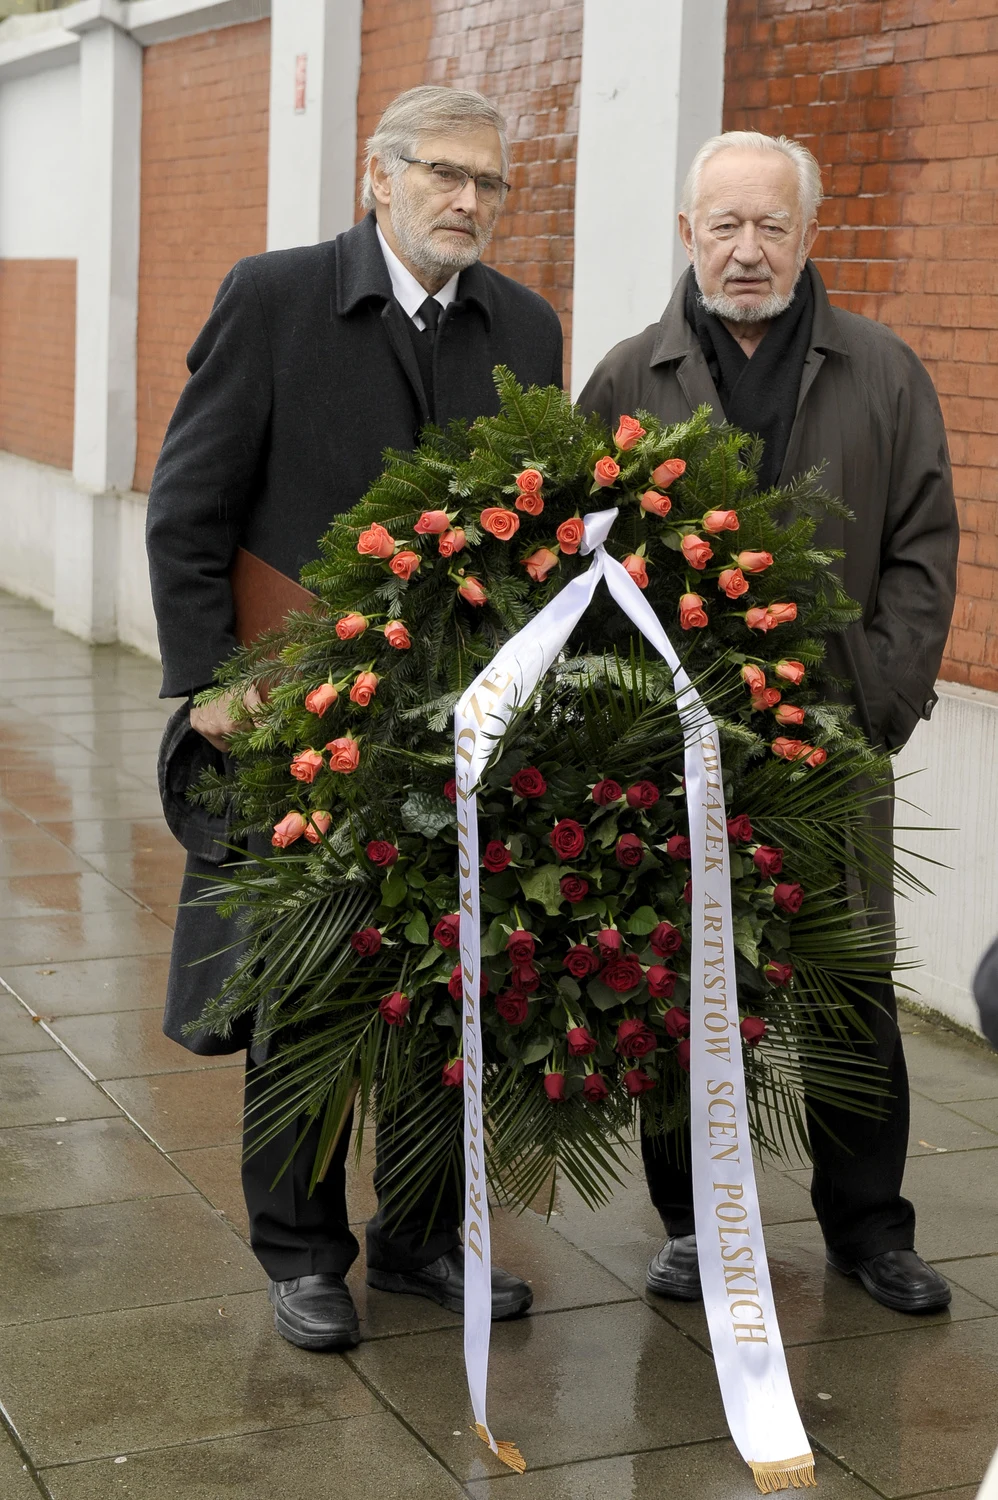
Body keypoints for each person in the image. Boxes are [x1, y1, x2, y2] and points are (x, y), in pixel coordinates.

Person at [146, 85, 563, 1352]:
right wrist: (209, 677)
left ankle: (426, 1241)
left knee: (448, 991)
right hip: (294, 714)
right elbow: (187, 503)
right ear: (374, 178)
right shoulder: (273, 296)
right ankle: (302, 1253)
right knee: (306, 993)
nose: (466, 201)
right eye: (443, 173)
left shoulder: (524, 328)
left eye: (489, 183)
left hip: (458, 730)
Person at [580, 130, 959, 1315]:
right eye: (722, 227)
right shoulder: (623, 379)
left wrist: (876, 705)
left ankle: (868, 1230)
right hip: (671, 759)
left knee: (846, 986)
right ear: (684, 235)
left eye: (769, 227)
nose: (746, 252)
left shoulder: (883, 372)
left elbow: (922, 552)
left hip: (830, 753)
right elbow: (574, 574)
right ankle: (696, 1225)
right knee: (683, 992)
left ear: (807, 234)